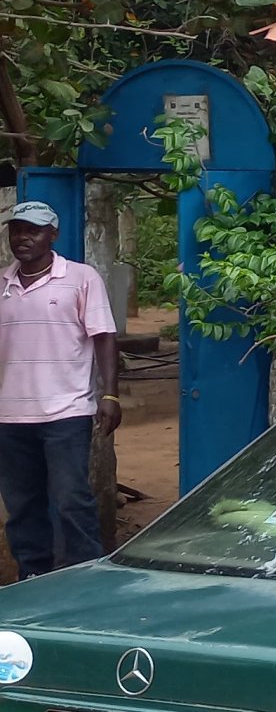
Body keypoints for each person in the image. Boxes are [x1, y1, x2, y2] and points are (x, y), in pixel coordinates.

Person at [0, 201, 119, 578]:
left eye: (33, 230)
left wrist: (110, 395)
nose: (23, 238)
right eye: (16, 230)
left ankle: (86, 576)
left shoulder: (82, 278)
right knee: (21, 505)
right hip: (9, 415)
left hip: (66, 412)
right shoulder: (1, 282)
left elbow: (103, 337)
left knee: (72, 500)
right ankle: (32, 577)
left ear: (53, 234)